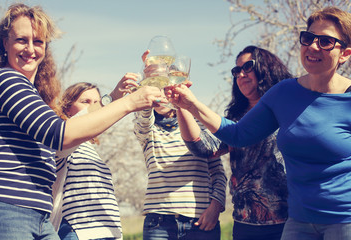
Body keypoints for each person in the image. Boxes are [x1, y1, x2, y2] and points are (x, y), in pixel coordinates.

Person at [168, 6, 351, 240]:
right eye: (308, 38)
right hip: (299, 221)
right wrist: (191, 104)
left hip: (344, 221)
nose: (313, 46)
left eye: (325, 41)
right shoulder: (284, 93)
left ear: (344, 54)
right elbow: (237, 134)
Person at [0, 3, 164, 240]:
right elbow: (60, 134)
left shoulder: (33, 95)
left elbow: (70, 127)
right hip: (8, 209)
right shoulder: (5, 79)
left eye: (39, 41)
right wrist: (130, 102)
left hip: (39, 215)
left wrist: (113, 98)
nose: (31, 49)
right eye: (22, 40)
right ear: (5, 42)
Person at [176, 45, 292, 240]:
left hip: (287, 222)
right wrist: (182, 105)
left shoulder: (286, 109)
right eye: (236, 70)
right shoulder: (235, 120)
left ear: (266, 68)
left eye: (248, 67)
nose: (240, 74)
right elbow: (201, 147)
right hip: (244, 225)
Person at [134, 51, 227, 240]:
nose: (160, 93)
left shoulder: (199, 126)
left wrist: (215, 208)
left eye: (165, 87)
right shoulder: (147, 129)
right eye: (155, 87)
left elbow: (218, 172)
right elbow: (143, 120)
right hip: (158, 224)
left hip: (200, 221)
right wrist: (148, 80)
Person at [51, 81, 138, 240]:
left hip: (107, 232)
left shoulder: (89, 149)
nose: (94, 107)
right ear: (67, 108)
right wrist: (114, 97)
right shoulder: (63, 142)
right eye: (85, 102)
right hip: (79, 232)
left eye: (97, 102)